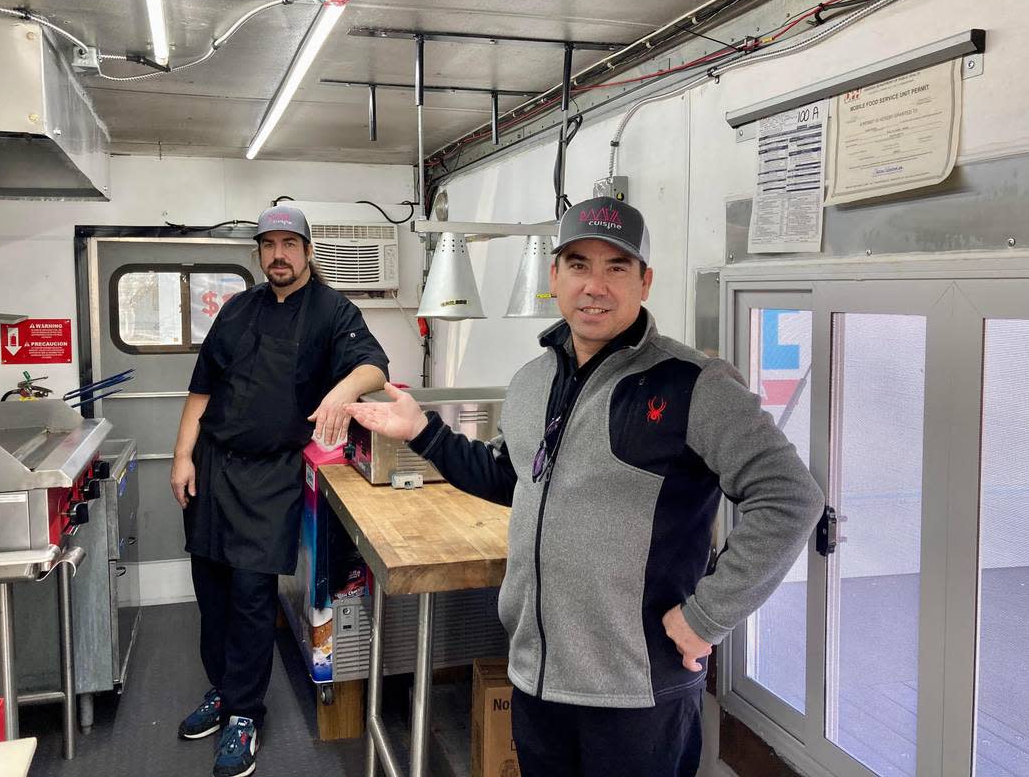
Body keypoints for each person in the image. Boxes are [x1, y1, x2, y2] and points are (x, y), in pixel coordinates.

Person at [345, 196, 823, 777]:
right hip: (537, 674)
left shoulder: (693, 384)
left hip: (636, 687)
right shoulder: (531, 380)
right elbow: (513, 477)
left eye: (616, 267)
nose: (594, 285)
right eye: (578, 264)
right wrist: (422, 432)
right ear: (554, 277)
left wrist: (707, 617)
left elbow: (790, 497)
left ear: (644, 281)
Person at [170, 204, 388, 777]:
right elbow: (201, 390)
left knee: (250, 596)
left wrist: (339, 395)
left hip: (271, 477)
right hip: (214, 468)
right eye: (268, 246)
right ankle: (223, 689)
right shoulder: (239, 308)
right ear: (258, 254)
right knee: (211, 590)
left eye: (289, 244)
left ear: (308, 250)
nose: (279, 255)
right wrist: (182, 456)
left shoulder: (332, 311)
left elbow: (374, 368)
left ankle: (245, 714)